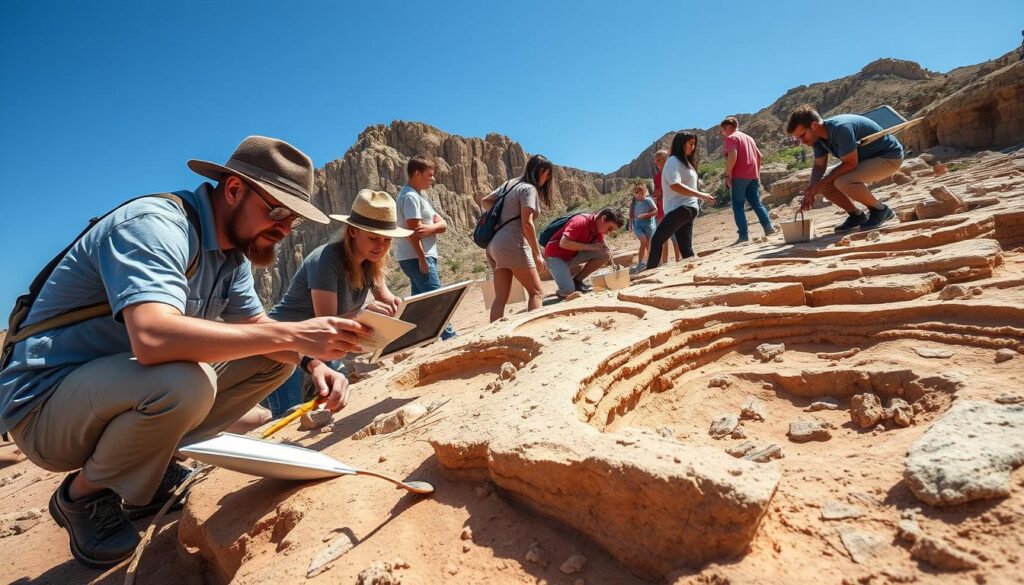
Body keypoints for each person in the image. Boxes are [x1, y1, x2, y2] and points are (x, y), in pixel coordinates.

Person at [0, 136, 371, 568]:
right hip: (43, 408)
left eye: (292, 219)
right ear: (233, 190)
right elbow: (154, 337)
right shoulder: (154, 225)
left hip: (115, 391)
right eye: (277, 211)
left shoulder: (232, 257)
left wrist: (312, 361)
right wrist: (294, 334)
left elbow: (257, 327)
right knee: (188, 382)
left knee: (275, 355)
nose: (285, 228)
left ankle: (151, 470)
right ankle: (83, 496)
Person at [262, 189, 411, 418]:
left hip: (314, 349)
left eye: (386, 239)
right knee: (286, 415)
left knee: (326, 406)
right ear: (352, 231)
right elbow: (325, 324)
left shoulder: (370, 263)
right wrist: (363, 314)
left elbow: (390, 301)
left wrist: (406, 310)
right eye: (373, 237)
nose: (380, 246)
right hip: (281, 345)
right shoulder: (326, 260)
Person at [786, 104, 905, 232]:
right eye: (799, 138)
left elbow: (850, 163)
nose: (802, 141)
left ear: (814, 125)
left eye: (802, 135)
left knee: (842, 181)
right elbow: (819, 166)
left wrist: (822, 182)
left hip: (889, 157)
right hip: (867, 160)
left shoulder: (841, 128)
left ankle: (880, 210)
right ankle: (856, 215)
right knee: (824, 184)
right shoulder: (817, 138)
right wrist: (810, 192)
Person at [476, 155, 554, 322]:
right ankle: (534, 330)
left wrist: (501, 218)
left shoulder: (510, 184)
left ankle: (494, 337)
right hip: (512, 243)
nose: (547, 179)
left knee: (500, 298)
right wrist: (537, 254)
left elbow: (485, 201)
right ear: (541, 171)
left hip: (493, 246)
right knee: (537, 292)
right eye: (547, 175)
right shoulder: (528, 189)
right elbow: (527, 223)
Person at [394, 155, 456, 340]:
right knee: (438, 300)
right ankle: (451, 337)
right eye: (429, 175)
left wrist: (431, 228)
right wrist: (422, 257)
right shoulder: (410, 197)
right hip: (417, 257)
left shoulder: (419, 196)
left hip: (417, 257)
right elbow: (415, 232)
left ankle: (414, 340)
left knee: (420, 303)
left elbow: (443, 224)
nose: (432, 179)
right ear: (417, 173)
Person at [644, 133, 716, 271]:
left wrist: (701, 195)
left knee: (657, 239)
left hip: (682, 208)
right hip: (687, 208)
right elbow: (676, 185)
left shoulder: (674, 161)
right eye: (690, 144)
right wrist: (700, 195)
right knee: (686, 248)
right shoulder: (681, 163)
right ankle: (694, 272)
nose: (693, 147)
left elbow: (675, 185)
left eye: (694, 144)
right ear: (681, 144)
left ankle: (649, 272)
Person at [543, 208, 625, 300]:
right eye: (609, 228)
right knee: (569, 292)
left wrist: (608, 252)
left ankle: (577, 281)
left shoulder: (597, 228)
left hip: (571, 256)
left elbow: (601, 247)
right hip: (555, 257)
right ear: (603, 218)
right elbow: (563, 243)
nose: (609, 232)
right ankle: (563, 290)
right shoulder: (580, 221)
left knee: (604, 254)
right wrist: (591, 247)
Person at [720, 116, 776, 244]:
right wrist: (757, 173)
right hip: (753, 176)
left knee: (738, 206)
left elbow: (732, 156)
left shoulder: (731, 138)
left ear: (727, 127)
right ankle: (768, 228)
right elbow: (759, 156)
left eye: (722, 131)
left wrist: (727, 175)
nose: (722, 134)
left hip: (739, 176)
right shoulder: (749, 138)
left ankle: (743, 236)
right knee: (757, 203)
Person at [652, 149, 682, 263]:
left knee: (675, 237)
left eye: (659, 160)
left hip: (672, 207)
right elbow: (656, 191)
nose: (657, 163)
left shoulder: (673, 171)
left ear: (667, 159)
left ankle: (679, 260)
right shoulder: (656, 176)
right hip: (661, 210)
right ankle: (665, 262)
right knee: (663, 238)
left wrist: (661, 192)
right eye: (656, 161)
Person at [628, 182, 658, 270]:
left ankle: (650, 262)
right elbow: (631, 215)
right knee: (643, 241)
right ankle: (640, 263)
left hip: (649, 224)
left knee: (648, 244)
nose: (639, 194)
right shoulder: (633, 203)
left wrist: (645, 215)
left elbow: (655, 211)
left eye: (641, 192)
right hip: (637, 225)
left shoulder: (648, 200)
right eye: (637, 193)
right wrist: (630, 225)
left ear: (644, 192)